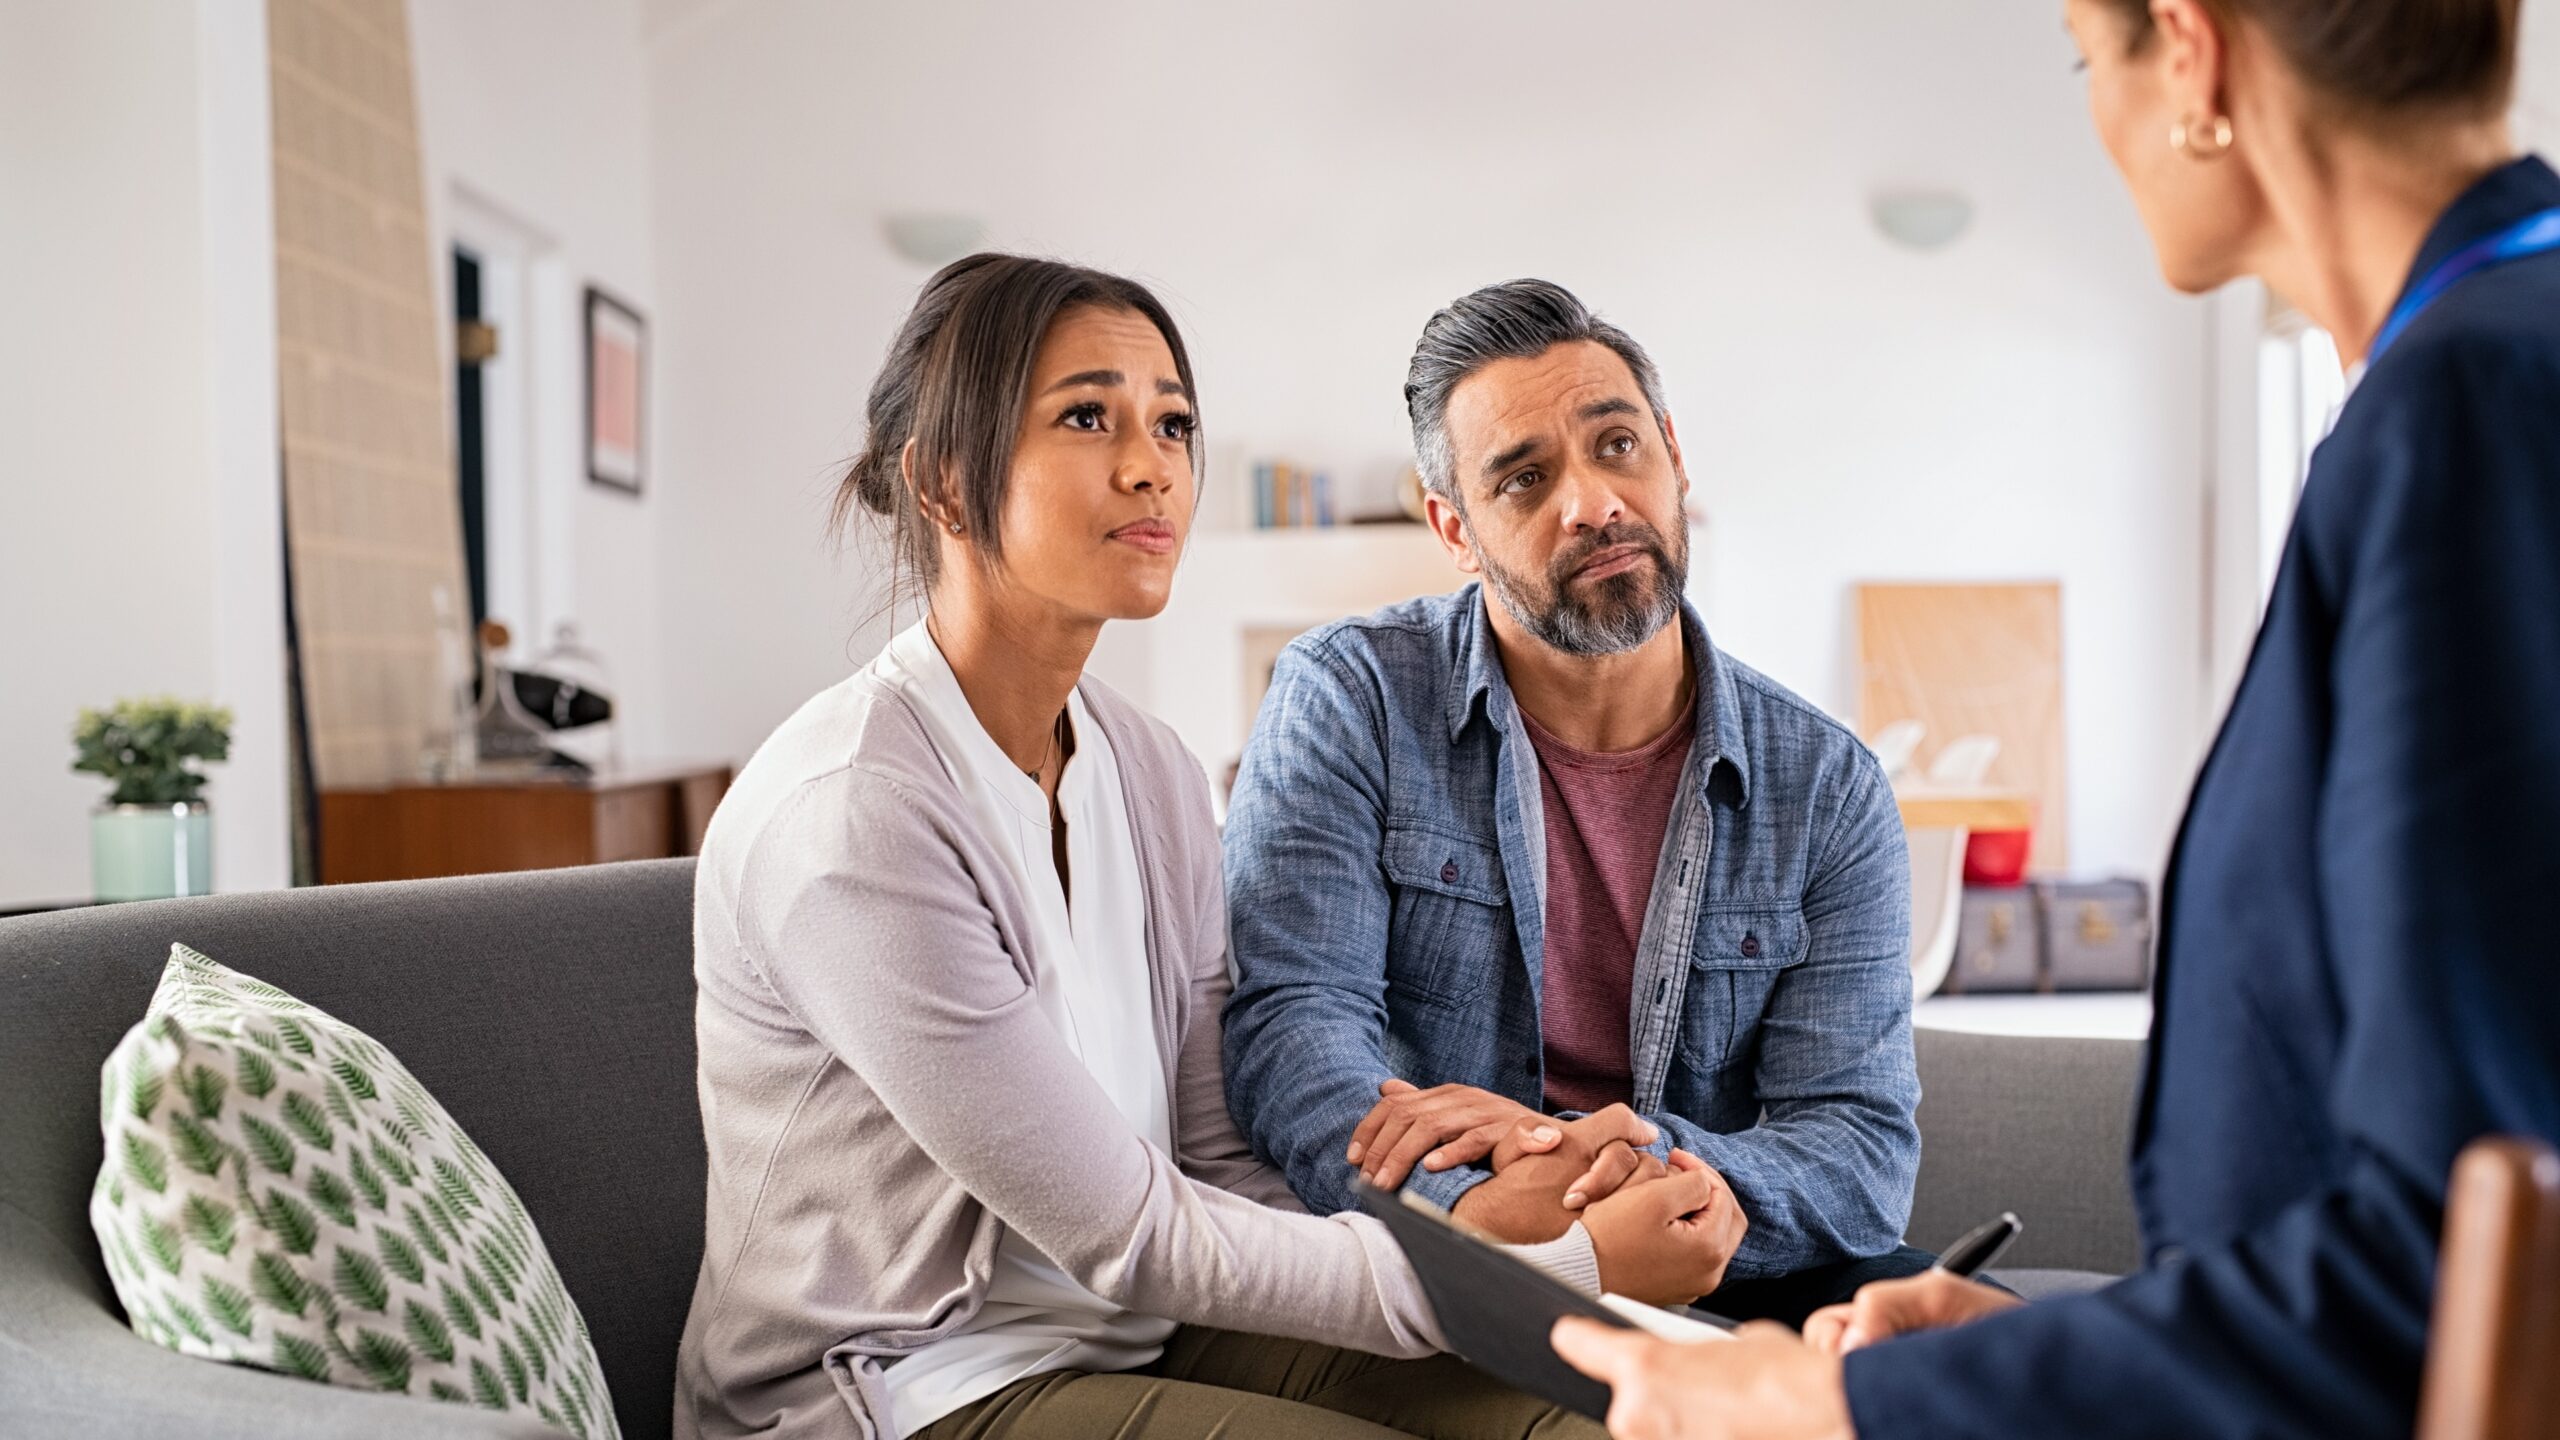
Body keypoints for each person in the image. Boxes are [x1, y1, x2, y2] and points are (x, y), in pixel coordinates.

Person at [1549, 1, 2560, 1435]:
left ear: (2193, 51)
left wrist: (1840, 1409)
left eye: (2093, 62)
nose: (2099, 119)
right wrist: (2040, 1346)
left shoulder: (2469, 409)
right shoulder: (2482, 371)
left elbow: (2465, 1274)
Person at [675, 253, 1728, 1440]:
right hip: (904, 1387)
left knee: (1601, 1424)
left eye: (1172, 423)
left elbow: (1218, 1157)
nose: (1151, 465)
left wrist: (1476, 1216)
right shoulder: (853, 812)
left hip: (1146, 1330)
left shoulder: (1152, 771)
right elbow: (1127, 1232)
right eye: (1087, 417)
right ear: (942, 481)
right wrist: (1557, 1266)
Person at [1223, 279, 1928, 1326]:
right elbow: (1296, 1031)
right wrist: (1490, 1215)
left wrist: (1633, 1171)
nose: (1593, 503)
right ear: (1454, 530)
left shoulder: (1825, 785)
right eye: (1522, 478)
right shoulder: (1352, 696)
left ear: (1673, 455)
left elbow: (1857, 1144)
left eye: (1616, 447)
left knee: (1998, 1358)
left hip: (1719, 1248)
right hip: (1459, 1258)